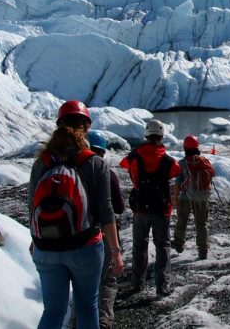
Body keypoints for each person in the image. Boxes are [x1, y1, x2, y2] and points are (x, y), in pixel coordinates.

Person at [29, 100, 124, 329]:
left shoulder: (41, 163)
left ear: (59, 125)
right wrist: (115, 251)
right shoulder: (94, 162)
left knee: (53, 311)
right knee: (86, 306)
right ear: (86, 127)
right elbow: (106, 211)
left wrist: (35, 241)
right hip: (85, 247)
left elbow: (32, 205)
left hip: (46, 247)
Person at [119, 119, 181, 297]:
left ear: (146, 135)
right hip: (162, 210)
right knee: (162, 247)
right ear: (161, 136)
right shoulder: (169, 162)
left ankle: (137, 283)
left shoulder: (133, 157)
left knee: (140, 246)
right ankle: (162, 286)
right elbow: (176, 171)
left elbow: (123, 164)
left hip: (140, 209)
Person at [86, 131, 125, 329]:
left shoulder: (69, 170)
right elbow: (118, 208)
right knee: (107, 279)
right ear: (102, 152)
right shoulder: (107, 173)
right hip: (103, 233)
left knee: (83, 282)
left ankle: (77, 320)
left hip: (78, 235)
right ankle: (103, 321)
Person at [171, 135, 215, 259]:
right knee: (201, 224)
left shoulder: (181, 164)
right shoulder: (203, 161)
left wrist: (175, 197)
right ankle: (203, 250)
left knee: (182, 221)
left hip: (185, 197)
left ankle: (178, 244)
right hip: (201, 198)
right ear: (197, 147)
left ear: (185, 148)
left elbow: (178, 182)